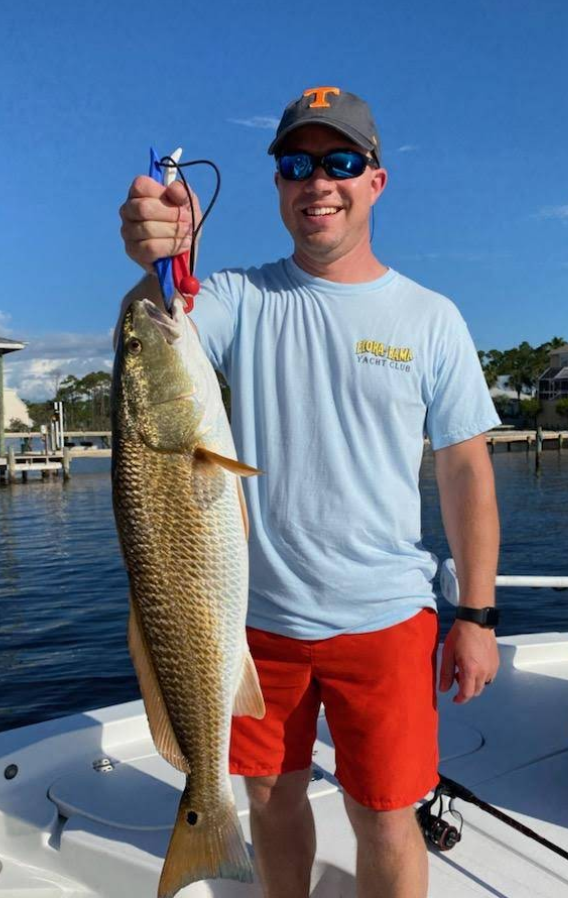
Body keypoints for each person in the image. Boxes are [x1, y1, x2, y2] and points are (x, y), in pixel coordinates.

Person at [119, 86, 501, 898]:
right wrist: (155, 261)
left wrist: (475, 615)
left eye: (341, 162)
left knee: (388, 815)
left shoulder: (432, 318)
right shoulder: (237, 298)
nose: (317, 181)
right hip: (255, 621)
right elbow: (157, 324)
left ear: (376, 181)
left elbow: (466, 469)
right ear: (279, 185)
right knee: (267, 794)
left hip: (389, 617)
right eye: (297, 164)